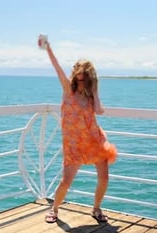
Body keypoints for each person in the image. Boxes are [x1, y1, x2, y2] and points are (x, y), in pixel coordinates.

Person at [39, 36, 117, 223]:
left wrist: (95, 89)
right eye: (79, 77)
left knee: (104, 179)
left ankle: (96, 209)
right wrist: (48, 48)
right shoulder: (68, 90)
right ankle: (55, 209)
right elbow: (57, 67)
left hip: (94, 141)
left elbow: (99, 110)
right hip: (74, 144)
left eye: (85, 79)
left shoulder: (91, 96)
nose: (81, 81)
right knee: (66, 182)